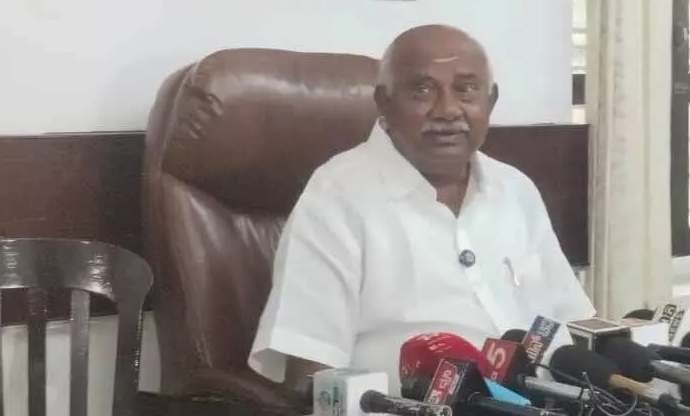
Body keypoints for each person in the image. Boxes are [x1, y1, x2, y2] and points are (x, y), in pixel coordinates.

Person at [248, 25, 594, 393]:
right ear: (384, 103)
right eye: (423, 91)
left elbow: (575, 326)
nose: (448, 110)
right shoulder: (337, 196)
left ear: (490, 101)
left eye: (466, 89)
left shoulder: (516, 189)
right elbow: (312, 375)